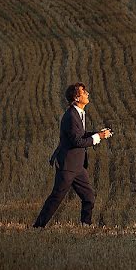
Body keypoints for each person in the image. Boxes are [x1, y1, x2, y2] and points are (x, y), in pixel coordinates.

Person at [33, 83, 113, 228]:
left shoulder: (78, 113)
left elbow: (80, 135)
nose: (87, 94)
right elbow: (77, 141)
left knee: (89, 197)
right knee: (56, 198)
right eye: (84, 92)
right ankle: (38, 226)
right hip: (67, 166)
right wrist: (98, 137)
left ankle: (85, 225)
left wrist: (98, 133)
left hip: (77, 166)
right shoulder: (70, 116)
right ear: (76, 98)